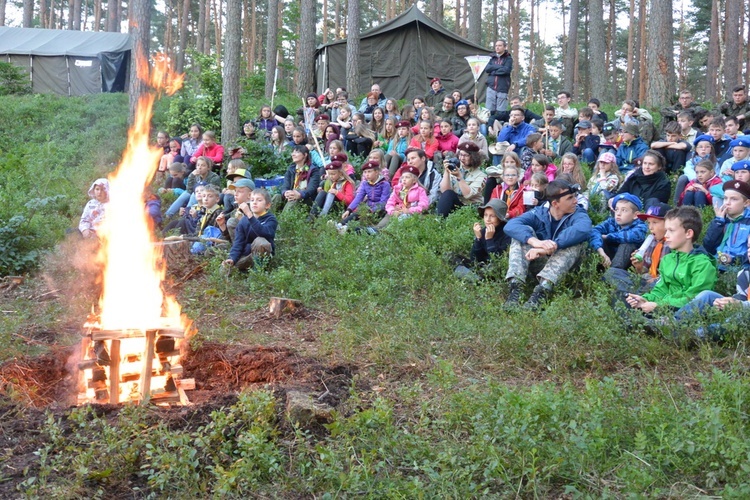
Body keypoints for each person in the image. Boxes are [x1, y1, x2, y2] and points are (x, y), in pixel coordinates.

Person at [503, 180, 593, 309]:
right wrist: (535, 242)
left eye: (574, 197)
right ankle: (515, 288)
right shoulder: (539, 213)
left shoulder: (578, 213)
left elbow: (583, 229)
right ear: (555, 203)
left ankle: (542, 291)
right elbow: (511, 225)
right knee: (522, 235)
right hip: (542, 265)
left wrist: (552, 246)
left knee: (574, 242)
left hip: (568, 270)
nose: (575, 201)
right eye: (569, 198)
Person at [625, 206, 717, 320]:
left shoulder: (702, 264)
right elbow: (661, 289)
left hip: (685, 315)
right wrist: (645, 299)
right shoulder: (667, 260)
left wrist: (660, 306)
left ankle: (663, 325)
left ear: (688, 233)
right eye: (666, 230)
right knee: (626, 304)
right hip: (664, 308)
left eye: (671, 231)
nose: (666, 235)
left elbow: (693, 298)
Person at [604, 201, 672, 300]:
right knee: (611, 272)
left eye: (655, 222)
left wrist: (656, 280)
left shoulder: (672, 243)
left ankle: (631, 296)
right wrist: (639, 267)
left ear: (668, 224)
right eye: (649, 222)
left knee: (653, 287)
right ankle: (635, 295)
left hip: (661, 285)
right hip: (645, 281)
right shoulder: (652, 241)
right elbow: (644, 272)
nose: (650, 227)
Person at [221, 188, 277, 271]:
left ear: (267, 205)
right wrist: (232, 258)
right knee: (224, 268)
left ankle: (257, 274)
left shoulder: (270, 219)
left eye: (259, 200)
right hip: (247, 256)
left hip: (263, 256)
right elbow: (238, 243)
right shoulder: (244, 220)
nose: (254, 202)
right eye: (252, 200)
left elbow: (263, 233)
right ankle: (243, 270)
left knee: (260, 242)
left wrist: (250, 215)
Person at [590, 193, 647, 270]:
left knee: (627, 244)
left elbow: (630, 236)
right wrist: (601, 252)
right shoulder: (611, 222)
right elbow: (594, 231)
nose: (618, 214)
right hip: (608, 258)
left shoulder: (641, 226)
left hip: (628, 265)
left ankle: (613, 273)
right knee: (596, 240)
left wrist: (607, 237)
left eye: (624, 210)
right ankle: (597, 272)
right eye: (616, 209)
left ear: (635, 215)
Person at [702, 179, 750, 270]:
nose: (727, 202)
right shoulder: (721, 220)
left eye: (734, 199)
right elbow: (708, 245)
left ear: (746, 203)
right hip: (716, 265)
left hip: (739, 268)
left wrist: (732, 260)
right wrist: (718, 222)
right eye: (725, 198)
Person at [337, 160, 391, 232]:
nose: (367, 174)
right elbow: (358, 198)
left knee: (362, 218)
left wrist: (372, 210)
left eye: (369, 172)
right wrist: (349, 210)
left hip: (380, 210)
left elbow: (383, 202)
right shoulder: (365, 184)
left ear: (377, 172)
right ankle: (340, 225)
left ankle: (348, 229)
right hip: (368, 208)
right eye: (365, 172)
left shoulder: (384, 184)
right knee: (357, 213)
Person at [436, 142, 487, 217]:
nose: (462, 158)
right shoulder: (455, 168)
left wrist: (459, 177)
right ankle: (439, 220)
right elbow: (444, 191)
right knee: (448, 194)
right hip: (456, 203)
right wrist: (446, 171)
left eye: (466, 155)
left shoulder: (481, 175)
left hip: (471, 206)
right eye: (461, 154)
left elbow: (468, 195)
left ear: (474, 157)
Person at [373, 165, 430, 231]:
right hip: (398, 212)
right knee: (388, 217)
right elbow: (389, 203)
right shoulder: (397, 189)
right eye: (402, 177)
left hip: (412, 214)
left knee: (402, 220)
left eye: (407, 177)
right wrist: (393, 211)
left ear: (414, 180)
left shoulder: (420, 190)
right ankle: (376, 230)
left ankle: (388, 232)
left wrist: (409, 210)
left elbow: (424, 205)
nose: (404, 179)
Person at [673, 134, 717, 206]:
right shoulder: (691, 161)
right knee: (683, 179)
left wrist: (705, 178)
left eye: (707, 147)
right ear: (696, 149)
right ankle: (676, 204)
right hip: (694, 180)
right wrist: (698, 179)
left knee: (700, 193)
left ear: (711, 149)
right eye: (700, 147)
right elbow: (688, 171)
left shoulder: (714, 161)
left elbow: (716, 174)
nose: (703, 149)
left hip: (709, 183)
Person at [278, 144, 322, 212]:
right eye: (293, 152)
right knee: (276, 197)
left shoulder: (313, 170)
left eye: (297, 152)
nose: (293, 154)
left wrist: (299, 194)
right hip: (291, 195)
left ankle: (283, 221)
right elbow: (285, 185)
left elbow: (311, 189)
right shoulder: (291, 169)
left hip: (306, 198)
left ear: (305, 155)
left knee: (294, 199)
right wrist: (285, 193)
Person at [471, 199, 511, 263]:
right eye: (485, 215)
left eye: (492, 216)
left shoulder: (507, 234)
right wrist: (478, 239)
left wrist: (489, 240)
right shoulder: (484, 231)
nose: (487, 219)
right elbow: (474, 260)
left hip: (494, 271)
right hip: (481, 269)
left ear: (500, 218)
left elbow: (496, 262)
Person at [483, 40, 513, 113]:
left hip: (502, 87)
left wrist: (493, 70)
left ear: (505, 47)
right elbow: (487, 69)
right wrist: (499, 67)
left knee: (501, 112)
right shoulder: (490, 58)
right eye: (496, 45)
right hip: (491, 87)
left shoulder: (508, 58)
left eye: (499, 45)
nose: (497, 47)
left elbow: (506, 70)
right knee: (489, 112)